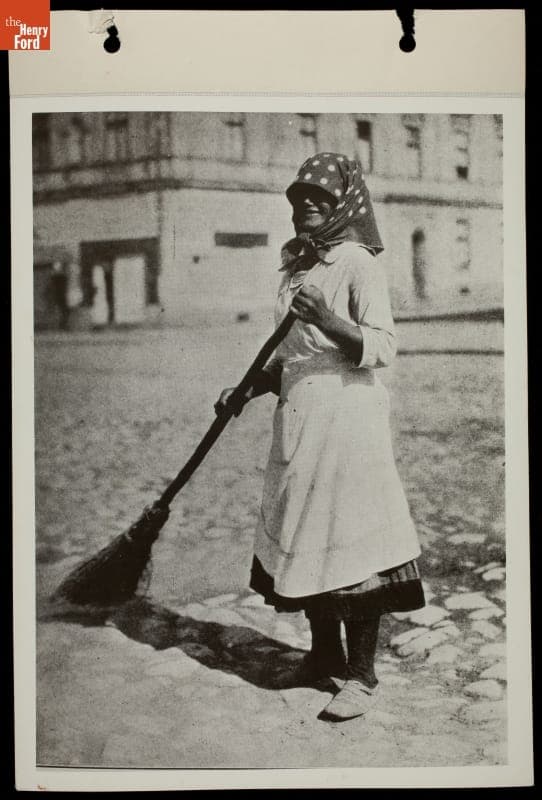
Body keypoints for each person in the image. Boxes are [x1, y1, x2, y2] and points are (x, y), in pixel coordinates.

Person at [215, 152, 425, 722]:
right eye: (298, 196)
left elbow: (382, 346)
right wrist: (249, 390)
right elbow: (288, 358)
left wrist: (330, 319)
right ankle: (321, 657)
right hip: (300, 413)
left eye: (319, 196)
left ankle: (361, 677)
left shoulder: (358, 263)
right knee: (307, 530)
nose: (305, 204)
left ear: (343, 204)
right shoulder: (298, 265)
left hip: (348, 414)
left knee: (350, 535)